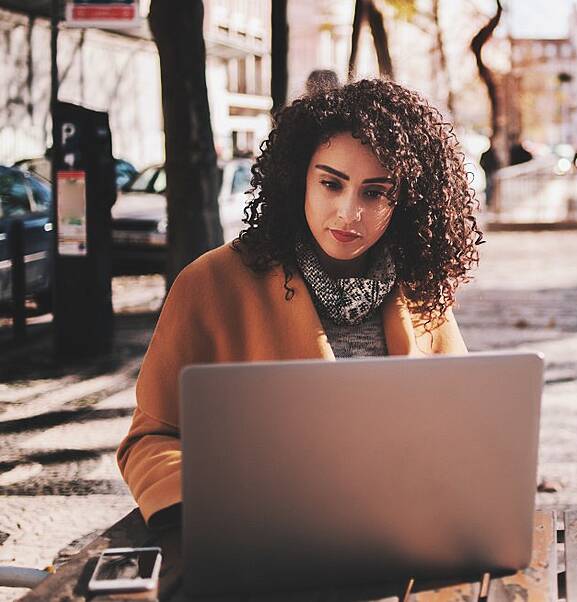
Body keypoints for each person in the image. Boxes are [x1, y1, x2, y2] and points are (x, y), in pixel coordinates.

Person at [116, 78, 483, 529]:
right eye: (332, 184)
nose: (349, 213)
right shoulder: (212, 283)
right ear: (298, 179)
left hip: (401, 537)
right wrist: (211, 510)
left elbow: (460, 434)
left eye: (375, 192)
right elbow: (151, 440)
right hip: (258, 541)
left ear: (405, 200)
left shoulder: (420, 291)